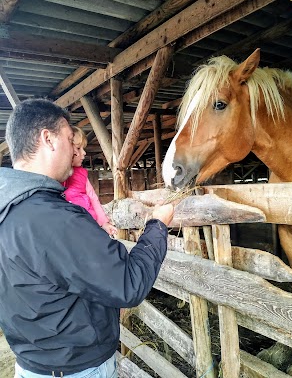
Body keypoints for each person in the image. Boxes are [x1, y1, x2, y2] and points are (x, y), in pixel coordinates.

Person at [0, 98, 174, 378]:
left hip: (32, 364)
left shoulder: (8, 206)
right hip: (77, 369)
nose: (74, 150)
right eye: (70, 139)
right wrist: (157, 226)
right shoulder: (53, 218)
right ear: (48, 139)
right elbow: (128, 284)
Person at [63, 126, 117, 237]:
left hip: (90, 225)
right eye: (78, 148)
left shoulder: (82, 174)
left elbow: (93, 198)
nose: (84, 153)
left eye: (83, 149)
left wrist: (104, 223)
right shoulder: (58, 176)